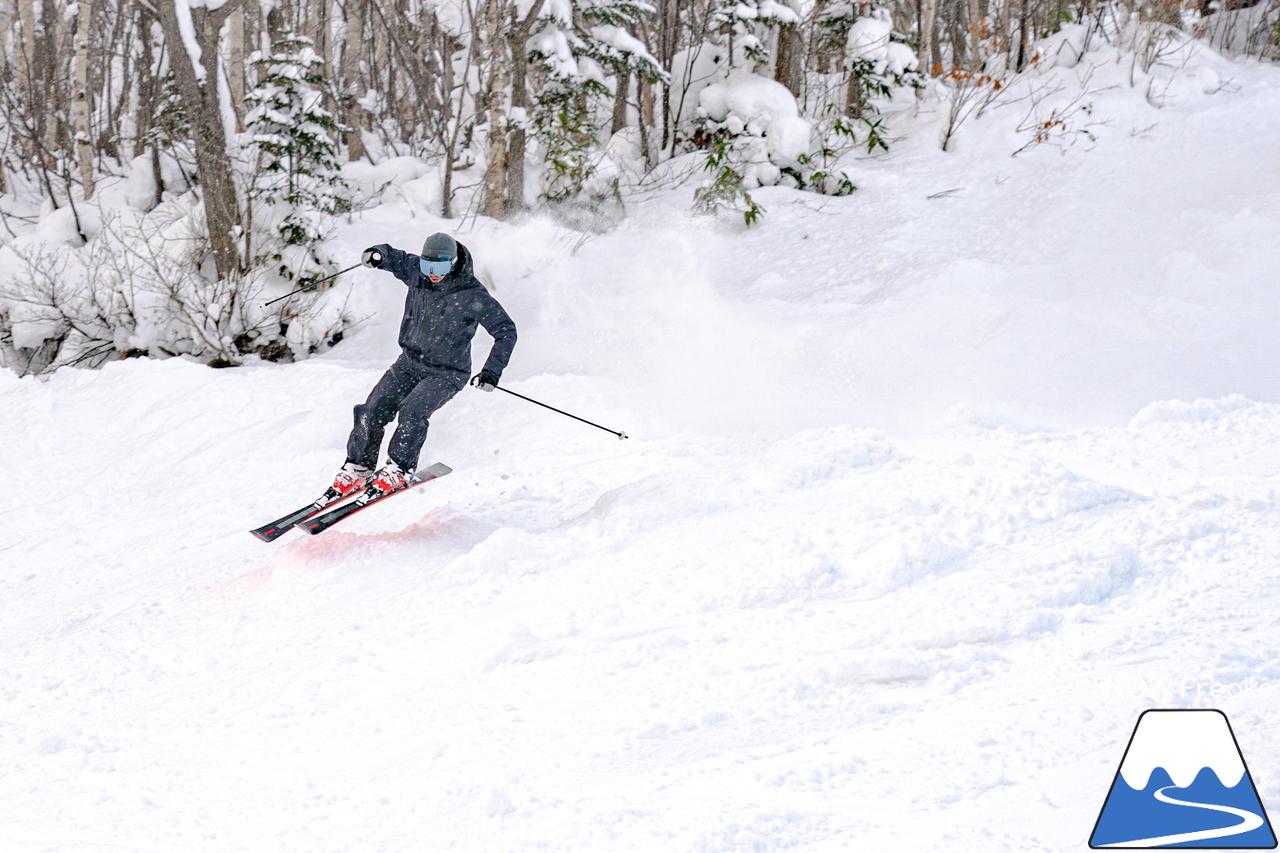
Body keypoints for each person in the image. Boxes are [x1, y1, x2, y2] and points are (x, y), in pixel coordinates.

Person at [326, 232, 516, 499]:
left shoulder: (472, 294)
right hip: (409, 363)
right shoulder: (416, 272)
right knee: (371, 409)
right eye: (428, 266)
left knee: (412, 411)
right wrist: (378, 254)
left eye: (440, 267)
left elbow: (506, 330)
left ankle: (399, 469)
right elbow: (394, 256)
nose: (433, 274)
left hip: (447, 372)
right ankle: (359, 468)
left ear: (453, 263)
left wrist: (491, 371)